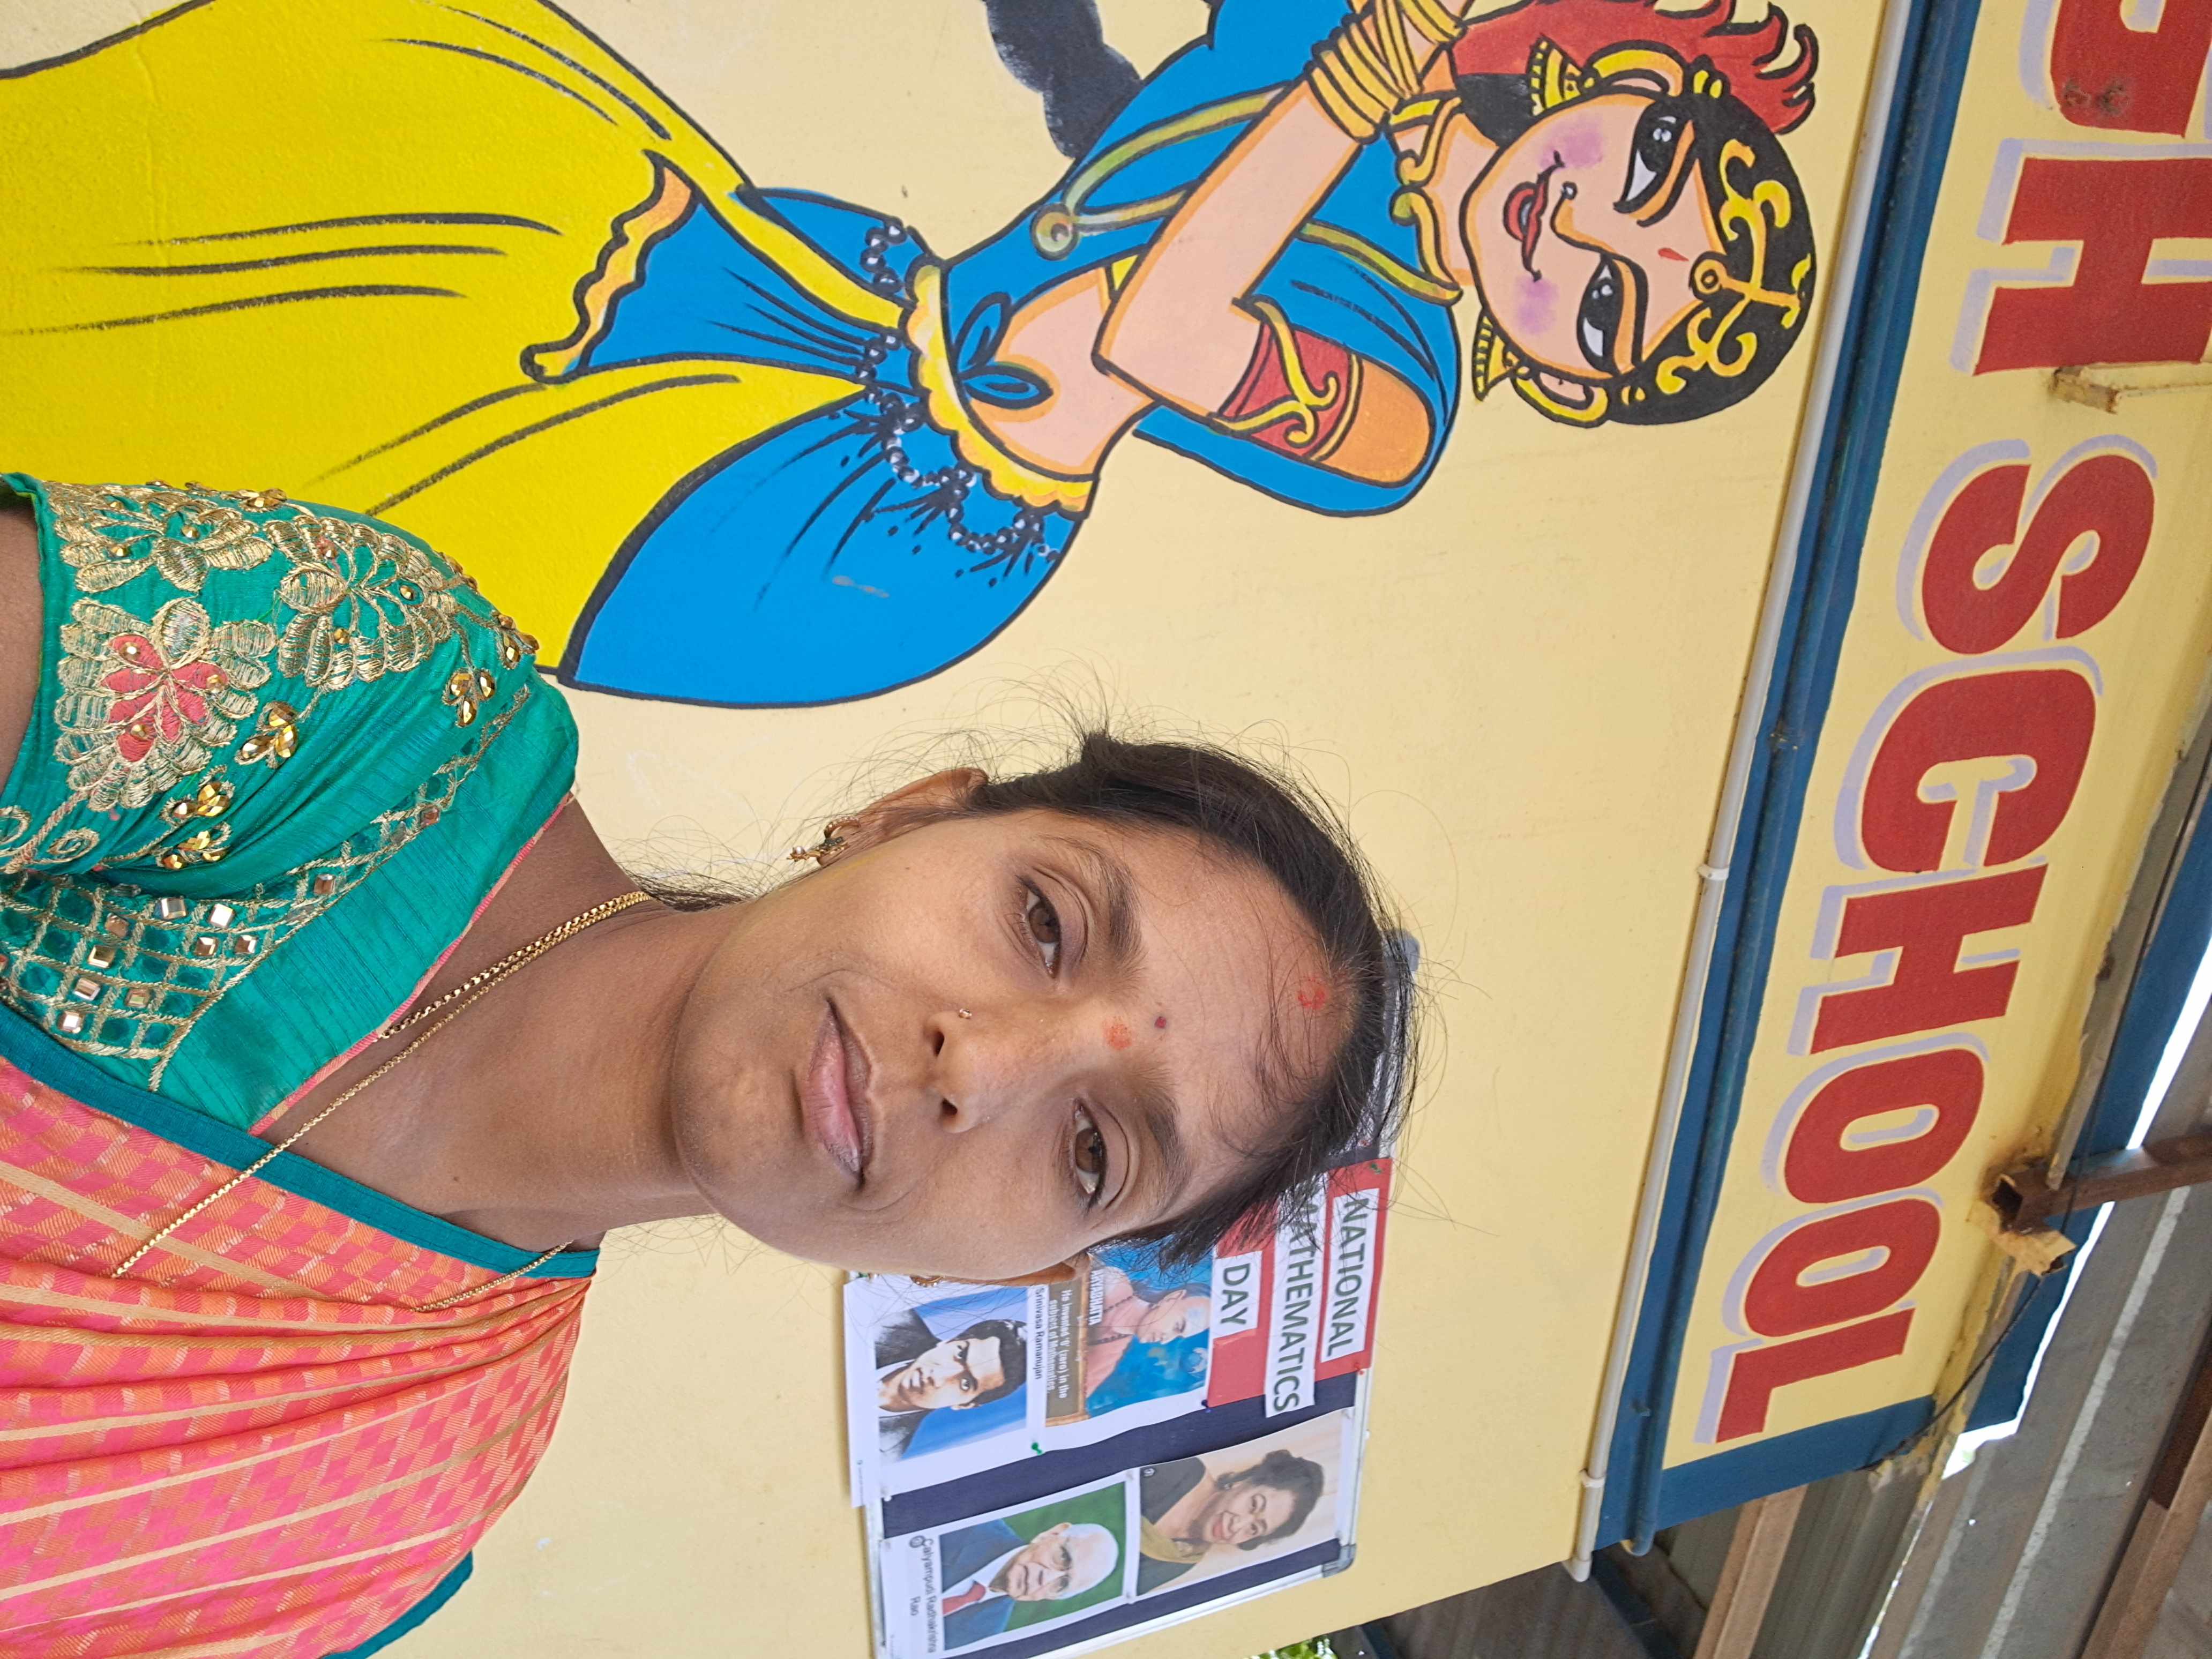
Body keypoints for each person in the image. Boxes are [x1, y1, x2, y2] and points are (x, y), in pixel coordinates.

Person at [0, 476, 1410, 1656]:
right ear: (903, 816)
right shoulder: (372, 711)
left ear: (1024, 1273)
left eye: (1094, 1151)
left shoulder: (416, 1480)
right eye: (1044, 922)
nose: (978, 1067)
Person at [0, 0, 1820, 707]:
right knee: (367, 130)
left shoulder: (1396, 405)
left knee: (351, 453)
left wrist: (1355, 86)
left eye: (1609, 304)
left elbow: (1155, 328)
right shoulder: (1380, 55)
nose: (1577, 231)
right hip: (833, 310)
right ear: (1622, 86)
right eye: (1641, 173)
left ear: (1563, 380)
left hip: (861, 524)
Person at [1135, 1449, 1327, 1594]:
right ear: (1243, 1482)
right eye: (1254, 1505)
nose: (1236, 1527)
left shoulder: (1185, 1558)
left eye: (1254, 1529)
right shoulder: (1180, 1468)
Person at [935, 1517, 1122, 1647]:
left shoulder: (987, 1634)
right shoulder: (968, 1525)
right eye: (1063, 1557)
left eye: (1063, 1584)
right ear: (1051, 1534)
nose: (1046, 1578)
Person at [876, 1309, 1030, 1458]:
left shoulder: (885, 1455)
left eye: (966, 1384)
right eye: (960, 1354)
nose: (939, 1376)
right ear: (948, 1342)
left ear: (965, 1405)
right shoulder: (887, 1317)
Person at [1082, 1263, 1213, 1401]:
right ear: (1173, 1298)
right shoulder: (1113, 1282)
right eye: (1178, 1326)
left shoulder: (1108, 1357)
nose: (1165, 1340)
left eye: (1178, 1336)